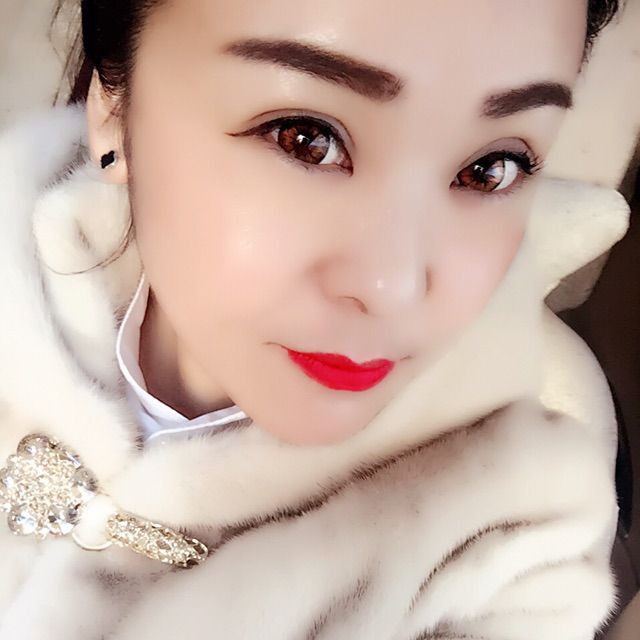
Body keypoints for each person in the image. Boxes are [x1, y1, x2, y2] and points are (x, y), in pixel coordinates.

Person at [0, 1, 623, 638]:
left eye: (490, 169)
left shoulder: (508, 543)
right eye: (306, 138)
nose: (393, 288)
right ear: (113, 109)